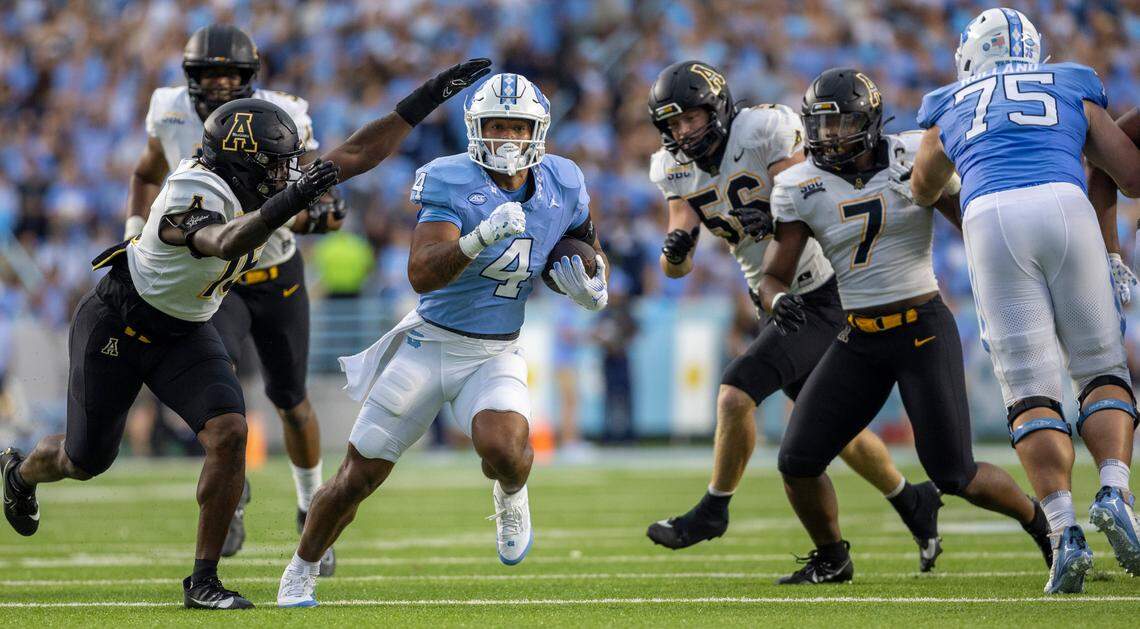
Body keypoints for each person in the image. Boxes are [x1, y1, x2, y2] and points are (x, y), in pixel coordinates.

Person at [1, 58, 492, 609]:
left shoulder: (252, 181)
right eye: (278, 166)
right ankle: (21, 472)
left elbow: (355, 153)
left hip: (186, 329)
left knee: (231, 429)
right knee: (84, 460)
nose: (288, 173)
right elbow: (224, 240)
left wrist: (426, 96)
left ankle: (203, 581)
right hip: (119, 321)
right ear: (245, 163)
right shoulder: (193, 188)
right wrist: (292, 199)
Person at [276, 72, 608, 608]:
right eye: (495, 125)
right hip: (429, 344)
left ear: (537, 131)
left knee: (506, 450)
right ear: (475, 129)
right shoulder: (451, 179)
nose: (506, 138)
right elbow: (422, 273)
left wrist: (595, 290)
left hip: (496, 349)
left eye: (517, 127)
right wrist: (478, 239)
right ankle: (301, 567)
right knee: (356, 477)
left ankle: (509, 494)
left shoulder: (564, 182)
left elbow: (590, 246)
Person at [643, 60, 943, 571]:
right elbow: (679, 263)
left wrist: (777, 215)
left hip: (822, 291)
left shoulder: (762, 129)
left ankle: (714, 508)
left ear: (715, 108)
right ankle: (908, 500)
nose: (681, 132)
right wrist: (674, 251)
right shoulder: (671, 168)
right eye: (671, 124)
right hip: (776, 301)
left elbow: (804, 190)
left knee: (737, 392)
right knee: (831, 429)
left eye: (689, 118)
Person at [760, 67, 1052, 585]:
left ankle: (1042, 523)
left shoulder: (913, 154)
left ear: (870, 122)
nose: (829, 138)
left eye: (840, 125)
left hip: (922, 328)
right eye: (820, 128)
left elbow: (975, 222)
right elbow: (774, 274)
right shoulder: (798, 185)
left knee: (953, 473)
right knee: (797, 459)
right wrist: (778, 298)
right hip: (860, 338)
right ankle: (832, 556)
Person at [910, 8, 1140, 593]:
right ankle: (1114, 489)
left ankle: (1064, 532)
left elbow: (922, 186)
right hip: (1066, 203)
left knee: (1031, 388)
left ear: (968, 56)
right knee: (1101, 368)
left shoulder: (948, 102)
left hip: (990, 216)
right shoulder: (1071, 81)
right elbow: (1130, 174)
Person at [125, 24, 341, 569]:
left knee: (291, 400)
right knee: (222, 402)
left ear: (249, 78)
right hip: (216, 279)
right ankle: (231, 495)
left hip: (276, 270)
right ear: (191, 79)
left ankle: (309, 503)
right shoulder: (170, 110)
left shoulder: (284, 111)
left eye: (230, 75)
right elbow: (146, 171)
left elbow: (317, 185)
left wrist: (323, 207)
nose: (220, 84)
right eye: (209, 74)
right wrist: (134, 230)